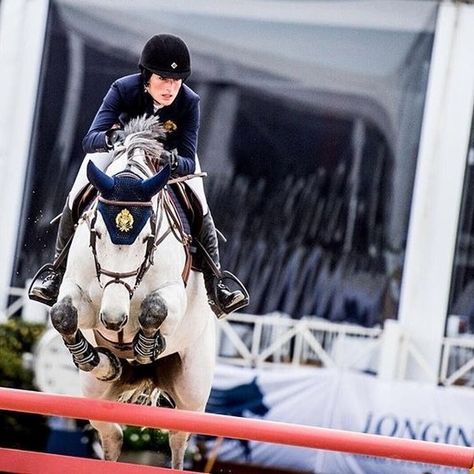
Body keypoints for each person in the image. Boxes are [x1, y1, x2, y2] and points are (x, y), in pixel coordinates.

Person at [29, 33, 248, 318]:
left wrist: (172, 159)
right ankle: (56, 272)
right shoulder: (123, 89)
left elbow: (187, 156)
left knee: (199, 202)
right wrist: (115, 138)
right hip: (120, 150)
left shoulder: (189, 101)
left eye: (176, 80)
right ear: (146, 76)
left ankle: (216, 283)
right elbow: (90, 139)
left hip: (167, 157)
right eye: (163, 80)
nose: (170, 88)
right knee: (78, 190)